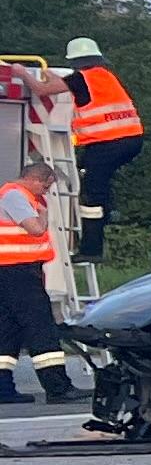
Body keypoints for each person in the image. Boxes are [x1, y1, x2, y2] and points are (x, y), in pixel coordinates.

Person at [61, 36, 143, 264]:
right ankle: (109, 211)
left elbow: (43, 89)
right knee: (98, 177)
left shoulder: (79, 80)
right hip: (131, 140)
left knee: (91, 195)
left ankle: (91, 249)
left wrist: (22, 74)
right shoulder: (106, 77)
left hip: (106, 142)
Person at [0, 155, 73, 406]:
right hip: (18, 271)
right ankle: (57, 387)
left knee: (7, 330)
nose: (46, 192)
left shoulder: (13, 194)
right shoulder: (15, 195)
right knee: (41, 326)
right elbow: (34, 228)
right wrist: (42, 215)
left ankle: (3, 388)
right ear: (35, 179)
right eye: (46, 186)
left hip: (9, 271)